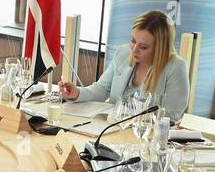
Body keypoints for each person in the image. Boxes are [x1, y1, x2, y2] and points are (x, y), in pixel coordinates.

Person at [59, 9, 190, 122]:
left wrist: (127, 118)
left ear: (159, 48)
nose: (134, 50)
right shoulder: (123, 52)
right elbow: (101, 89)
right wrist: (77, 93)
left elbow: (170, 117)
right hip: (110, 130)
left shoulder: (176, 67)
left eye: (143, 47)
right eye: (133, 41)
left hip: (144, 139)